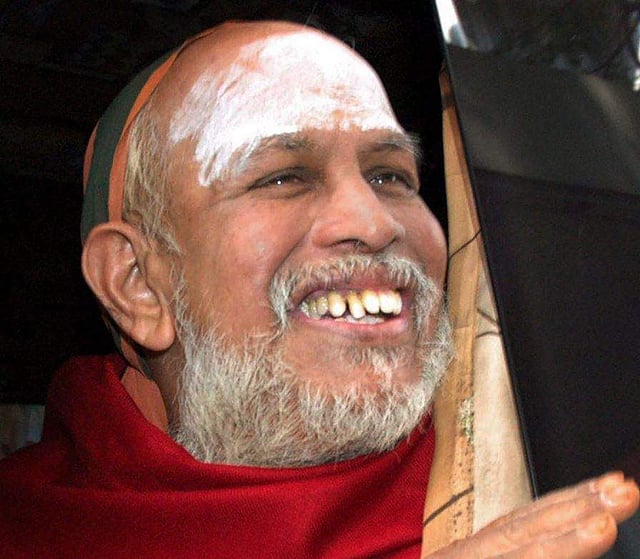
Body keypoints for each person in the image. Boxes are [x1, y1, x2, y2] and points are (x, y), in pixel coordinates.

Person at [0, 20, 637, 558]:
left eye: (390, 176)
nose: (373, 224)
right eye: (283, 178)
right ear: (138, 284)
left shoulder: (569, 470)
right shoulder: (26, 529)